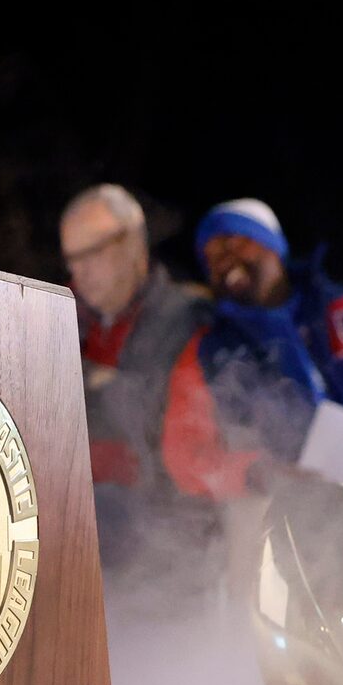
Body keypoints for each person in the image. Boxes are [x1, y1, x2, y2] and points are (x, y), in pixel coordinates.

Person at [160, 199, 343, 501]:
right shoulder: (208, 350)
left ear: (272, 247)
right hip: (269, 501)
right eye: (211, 256)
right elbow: (184, 451)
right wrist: (254, 472)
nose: (223, 260)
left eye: (236, 243)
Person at [60, 184, 208, 549]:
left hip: (163, 527)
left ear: (132, 244)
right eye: (71, 258)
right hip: (67, 506)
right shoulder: (60, 317)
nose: (81, 272)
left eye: (92, 253)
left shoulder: (188, 318)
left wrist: (88, 380)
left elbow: (161, 419)